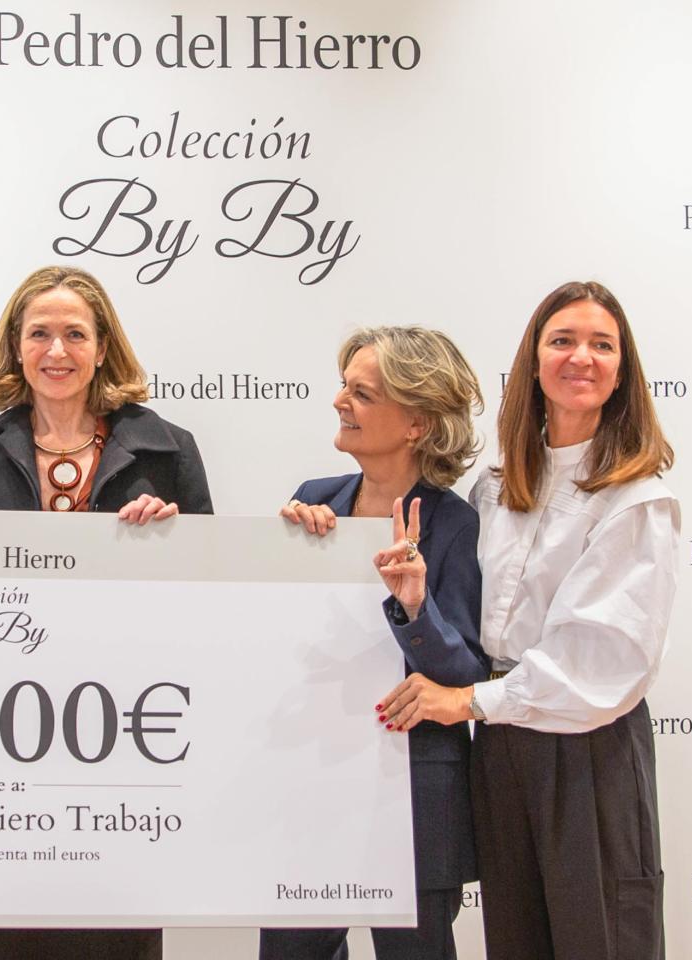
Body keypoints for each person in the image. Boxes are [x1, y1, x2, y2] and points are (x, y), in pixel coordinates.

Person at [377, 282, 678, 960]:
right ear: (533, 362)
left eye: (603, 345)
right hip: (504, 747)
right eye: (563, 340)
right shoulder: (498, 483)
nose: (582, 357)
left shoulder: (637, 498)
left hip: (587, 745)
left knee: (599, 939)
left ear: (623, 372)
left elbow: (599, 658)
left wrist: (472, 701)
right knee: (516, 938)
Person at [0, 265, 212, 960]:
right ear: (16, 346)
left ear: (102, 348)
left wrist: (174, 538)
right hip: (2, 740)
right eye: (39, 334)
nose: (56, 351)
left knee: (116, 929)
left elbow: (212, 591)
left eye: (74, 334)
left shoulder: (169, 450)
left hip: (126, 738)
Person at [268, 327, 489, 960]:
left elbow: (465, 671)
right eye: (345, 386)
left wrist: (415, 604)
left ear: (417, 422)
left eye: (361, 393)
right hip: (310, 786)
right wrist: (279, 556)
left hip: (418, 798)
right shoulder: (312, 502)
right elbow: (275, 646)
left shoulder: (454, 522)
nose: (340, 401)